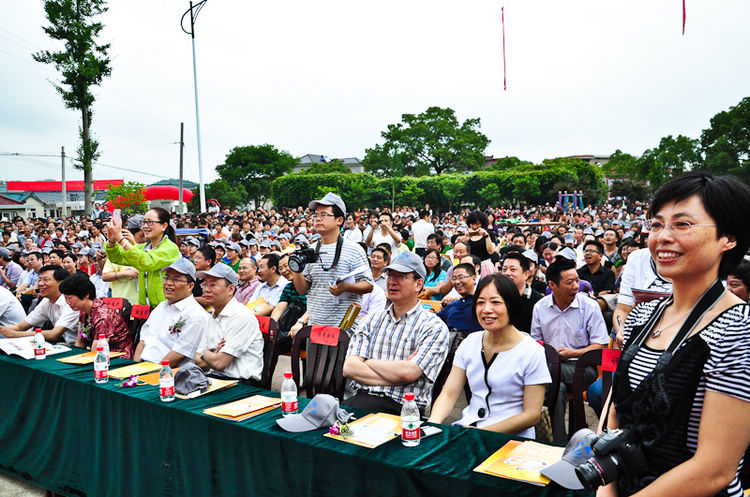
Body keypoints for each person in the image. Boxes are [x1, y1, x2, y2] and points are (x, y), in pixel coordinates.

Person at [599, 172, 750, 497]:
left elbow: (714, 469)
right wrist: (607, 488)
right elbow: (617, 410)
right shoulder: (642, 315)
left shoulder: (740, 329)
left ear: (730, 237)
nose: (662, 237)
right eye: (656, 225)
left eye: (683, 225)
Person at [429, 274, 550, 437]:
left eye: (495, 302)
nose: (486, 310)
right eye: (480, 302)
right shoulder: (470, 343)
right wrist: (433, 424)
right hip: (468, 431)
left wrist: (482, 433)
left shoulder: (531, 352)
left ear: (511, 305)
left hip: (511, 441)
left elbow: (532, 415)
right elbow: (449, 393)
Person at [343, 251, 449, 415]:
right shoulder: (371, 320)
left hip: (403, 409)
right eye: (390, 275)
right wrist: (397, 375)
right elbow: (349, 368)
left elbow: (408, 373)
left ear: (419, 284)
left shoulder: (433, 326)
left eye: (401, 276)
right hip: (361, 400)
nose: (392, 281)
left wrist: (368, 362)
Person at [530, 258, 609, 443]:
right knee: (558, 389)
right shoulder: (540, 307)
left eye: (577, 280)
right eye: (569, 282)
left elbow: (601, 346)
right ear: (552, 285)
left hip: (583, 368)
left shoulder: (589, 306)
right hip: (553, 369)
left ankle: (549, 440)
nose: (576, 286)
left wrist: (573, 353)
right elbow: (536, 343)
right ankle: (559, 442)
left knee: (542, 377)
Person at [292, 193, 374, 331]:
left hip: (345, 329)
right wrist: (297, 268)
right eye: (315, 215)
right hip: (315, 326)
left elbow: (369, 285)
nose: (317, 219)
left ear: (339, 220)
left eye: (324, 215)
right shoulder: (310, 250)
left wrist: (346, 287)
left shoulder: (354, 249)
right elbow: (301, 289)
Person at [194, 264, 263, 382]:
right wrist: (213, 353)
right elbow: (197, 361)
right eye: (205, 284)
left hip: (240, 383)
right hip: (214, 378)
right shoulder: (212, 316)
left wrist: (206, 352)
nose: (206, 289)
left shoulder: (241, 316)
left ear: (231, 289)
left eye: (213, 284)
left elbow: (219, 363)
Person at [134, 259, 208, 367]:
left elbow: (180, 353)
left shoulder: (196, 314)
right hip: (142, 368)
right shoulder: (161, 306)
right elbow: (143, 341)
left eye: (176, 279)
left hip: (166, 373)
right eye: (167, 278)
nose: (169, 283)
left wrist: (152, 372)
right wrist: (135, 368)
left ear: (190, 286)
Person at [104, 207, 180, 307]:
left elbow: (146, 261)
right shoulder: (142, 248)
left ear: (164, 226)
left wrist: (121, 238)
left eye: (150, 222)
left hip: (164, 307)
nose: (145, 226)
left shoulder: (170, 248)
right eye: (143, 222)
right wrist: (112, 241)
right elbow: (117, 257)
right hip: (144, 308)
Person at [59, 272, 134, 359]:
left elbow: (97, 352)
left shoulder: (103, 316)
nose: (67, 302)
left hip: (117, 358)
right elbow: (79, 342)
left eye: (70, 298)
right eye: (65, 298)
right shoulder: (84, 310)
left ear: (86, 295)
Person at [0, 265, 78, 344]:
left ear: (61, 283)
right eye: (39, 280)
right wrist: (3, 330)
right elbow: (20, 326)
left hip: (79, 347)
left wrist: (16, 335)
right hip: (63, 344)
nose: (40, 284)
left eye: (46, 280)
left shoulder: (71, 302)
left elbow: (54, 334)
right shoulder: (46, 301)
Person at [500, 252, 543, 333]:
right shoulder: (497, 297)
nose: (507, 273)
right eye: (504, 269)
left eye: (513, 269)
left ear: (526, 274)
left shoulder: (538, 302)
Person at [459, 210, 496, 278]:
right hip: (470, 267)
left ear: (482, 223)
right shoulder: (467, 236)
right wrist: (465, 240)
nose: (475, 227)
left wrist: (486, 236)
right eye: (472, 224)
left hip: (485, 266)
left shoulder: (490, 234)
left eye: (478, 224)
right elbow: (461, 252)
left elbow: (491, 251)